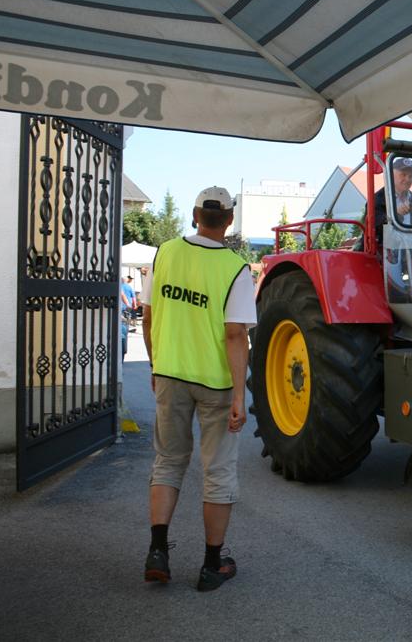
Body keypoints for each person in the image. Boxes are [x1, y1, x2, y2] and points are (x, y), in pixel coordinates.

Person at [140, 186, 256, 592]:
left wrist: (156, 364)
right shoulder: (235, 269)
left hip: (170, 375)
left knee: (168, 462)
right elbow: (235, 334)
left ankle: (158, 552)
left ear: (194, 215)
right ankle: (212, 565)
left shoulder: (165, 253)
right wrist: (240, 396)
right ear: (228, 220)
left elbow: (149, 315)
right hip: (215, 383)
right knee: (217, 471)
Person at [374, 157, 412, 229]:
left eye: (410, 176)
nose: (407, 179)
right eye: (403, 175)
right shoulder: (378, 198)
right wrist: (395, 215)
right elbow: (374, 226)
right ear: (391, 175)